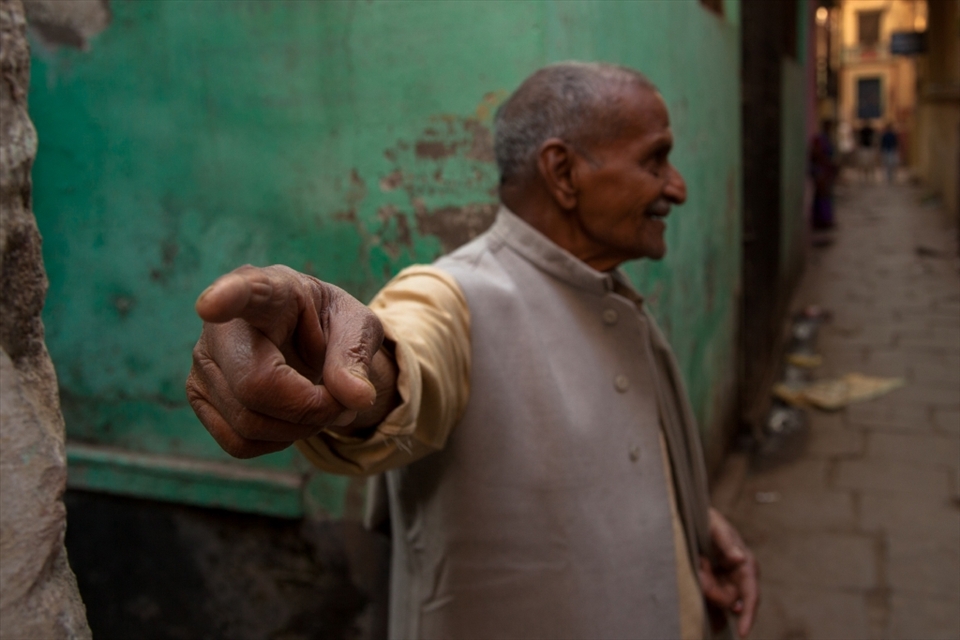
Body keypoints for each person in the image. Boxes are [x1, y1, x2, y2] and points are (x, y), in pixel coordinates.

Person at [186, 62, 759, 640]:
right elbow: (406, 361)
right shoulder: (452, 295)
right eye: (654, 160)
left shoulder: (599, 289)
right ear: (563, 172)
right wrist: (333, 363)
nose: (677, 187)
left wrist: (689, 527)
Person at [810, 120, 838, 229]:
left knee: (825, 195)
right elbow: (816, 155)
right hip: (820, 172)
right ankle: (821, 220)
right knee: (822, 195)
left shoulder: (826, 139)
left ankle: (825, 219)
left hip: (825, 172)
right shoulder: (820, 140)